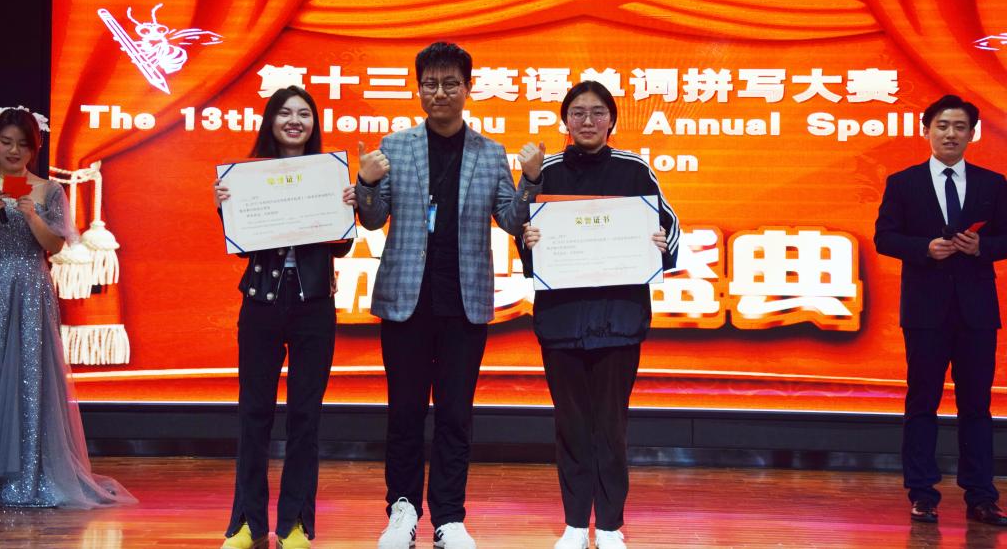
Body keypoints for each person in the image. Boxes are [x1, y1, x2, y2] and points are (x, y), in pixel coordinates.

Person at [356, 41, 544, 549]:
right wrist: (366, 184)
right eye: (430, 84)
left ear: (468, 88)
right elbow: (372, 219)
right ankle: (402, 511)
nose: (439, 93)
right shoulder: (395, 146)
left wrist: (530, 180)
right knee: (405, 412)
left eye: (450, 84)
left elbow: (511, 220)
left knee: (456, 414)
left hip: (464, 303)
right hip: (406, 300)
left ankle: (449, 517)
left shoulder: (488, 152)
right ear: (419, 89)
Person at [517, 81, 679, 549]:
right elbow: (522, 230)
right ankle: (574, 524)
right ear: (564, 121)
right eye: (578, 113)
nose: (587, 121)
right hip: (562, 320)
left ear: (612, 120)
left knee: (611, 425)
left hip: (619, 320)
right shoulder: (545, 172)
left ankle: (608, 525)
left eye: (597, 112)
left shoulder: (635, 169)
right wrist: (528, 241)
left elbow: (670, 226)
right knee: (570, 424)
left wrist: (660, 243)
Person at [214, 86, 355, 549]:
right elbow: (242, 246)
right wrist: (226, 207)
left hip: (314, 305)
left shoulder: (329, 175)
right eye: (285, 113)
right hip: (261, 303)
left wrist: (347, 205)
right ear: (271, 121)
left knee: (305, 417)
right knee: (254, 414)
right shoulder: (247, 177)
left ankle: (296, 524)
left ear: (314, 124)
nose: (295, 121)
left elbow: (342, 246)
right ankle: (246, 524)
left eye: (304, 114)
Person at [0, 106, 135, 508]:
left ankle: (26, 478)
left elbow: (54, 245)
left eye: (22, 144)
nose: (13, 151)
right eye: (6, 142)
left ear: (34, 149)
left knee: (29, 376)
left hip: (31, 287)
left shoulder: (49, 190)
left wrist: (32, 215)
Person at [875, 94, 1007, 526]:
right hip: (925, 312)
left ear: (973, 134)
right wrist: (924, 249)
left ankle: (981, 497)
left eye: (960, 127)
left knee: (976, 406)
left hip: (976, 313)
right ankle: (922, 494)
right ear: (926, 130)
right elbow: (884, 237)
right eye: (943, 126)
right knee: (922, 402)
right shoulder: (903, 183)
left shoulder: (993, 183)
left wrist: (982, 247)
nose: (951, 134)